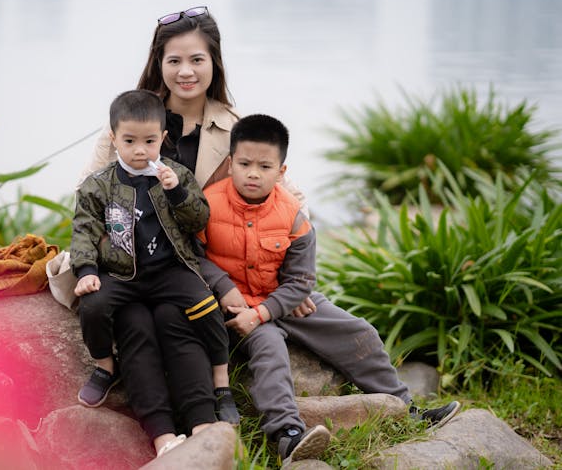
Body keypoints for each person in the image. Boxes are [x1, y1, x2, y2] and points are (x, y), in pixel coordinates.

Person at [196, 114, 462, 462]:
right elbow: (192, 258)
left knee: (358, 330)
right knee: (271, 348)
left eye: (265, 166)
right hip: (234, 308)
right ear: (230, 163)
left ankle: (407, 408)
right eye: (244, 164)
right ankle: (287, 435)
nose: (253, 173)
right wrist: (224, 289)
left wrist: (263, 312)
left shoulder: (293, 216)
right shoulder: (207, 205)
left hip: (279, 303)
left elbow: (302, 281)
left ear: (282, 171)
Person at [71, 90, 239, 454]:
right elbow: (83, 229)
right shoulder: (99, 185)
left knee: (205, 306)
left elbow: (200, 220)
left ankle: (221, 382)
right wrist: (86, 270)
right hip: (122, 274)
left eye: (149, 141)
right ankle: (104, 366)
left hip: (169, 270)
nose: (140, 150)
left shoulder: (174, 175)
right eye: (129, 141)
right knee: (94, 305)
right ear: (113, 138)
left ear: (163, 138)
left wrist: (177, 193)